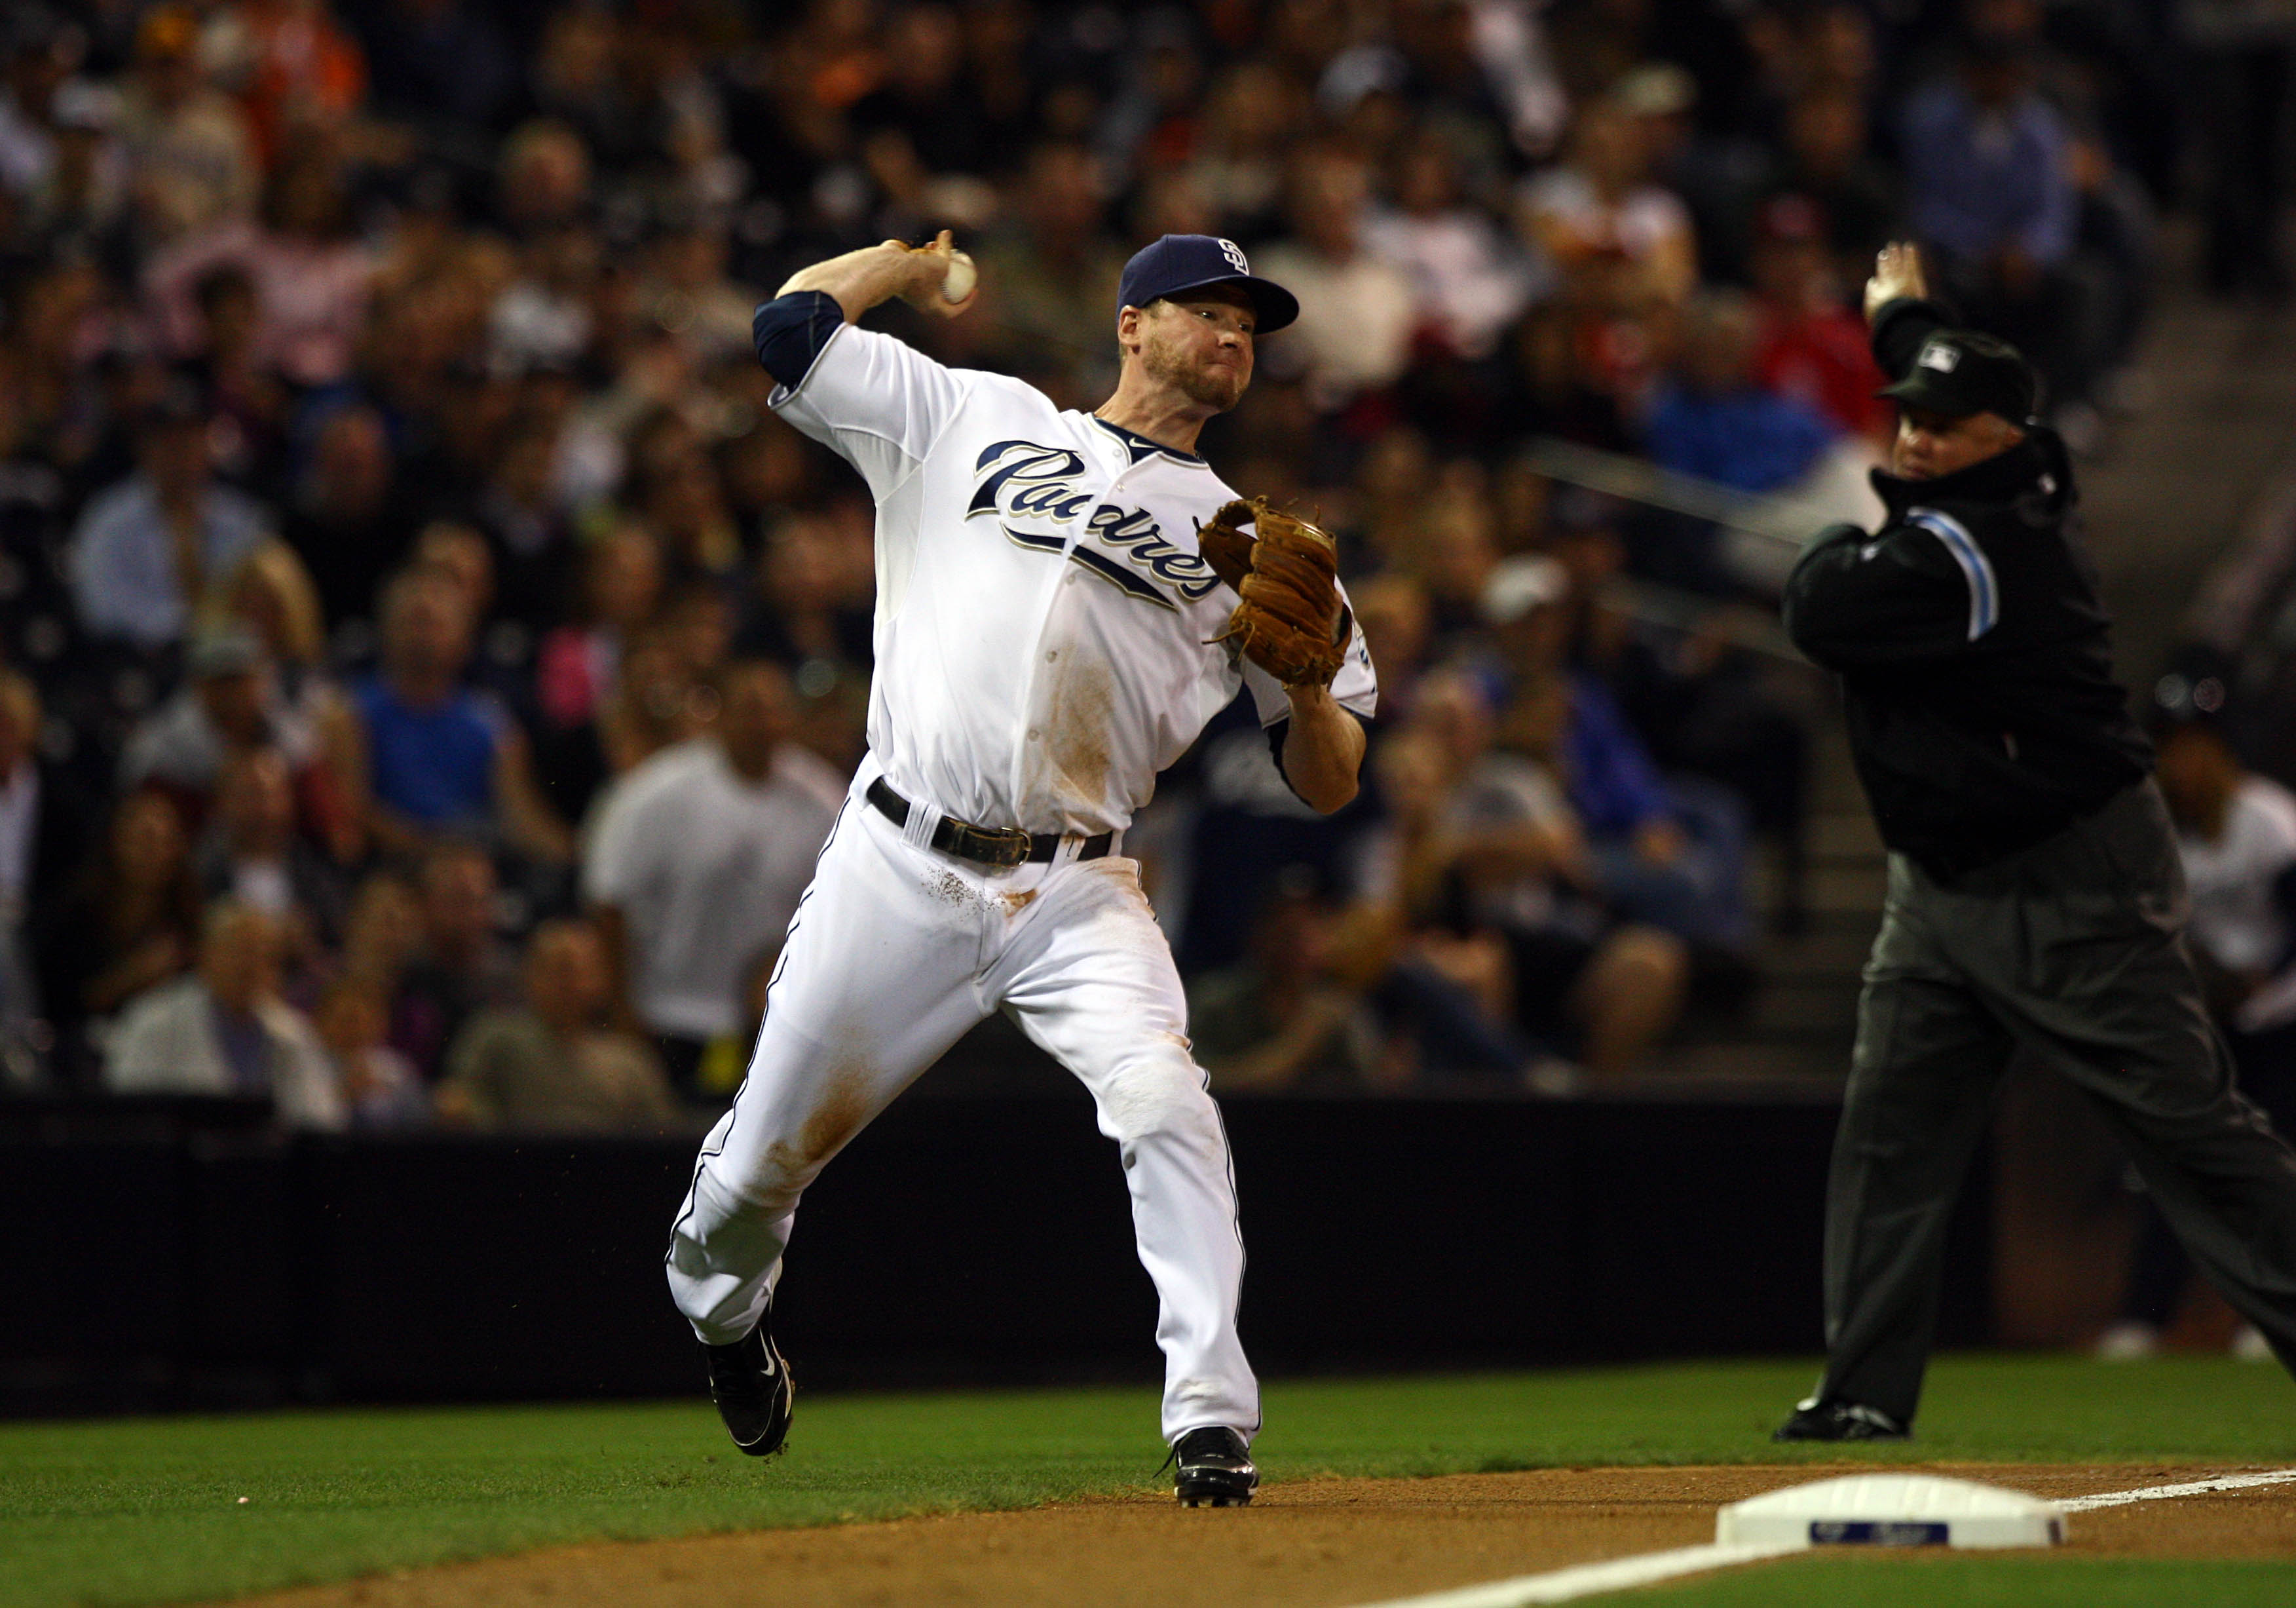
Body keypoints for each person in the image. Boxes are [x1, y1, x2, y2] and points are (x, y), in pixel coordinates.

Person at [669, 231, 1375, 1505]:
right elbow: (785, 333)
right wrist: (895, 262)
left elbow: (1328, 779)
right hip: (899, 861)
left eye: (1250, 323)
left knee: (1165, 1100)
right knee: (741, 1189)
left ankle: (1210, 1421)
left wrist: (1316, 686)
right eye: (1206, 311)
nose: (1233, 336)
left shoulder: (1247, 543)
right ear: (1130, 325)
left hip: (1079, 893)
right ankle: (724, 1321)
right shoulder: (970, 416)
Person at [1771, 242, 2296, 1441]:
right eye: (1908, 416)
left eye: (1946, 426)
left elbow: (1819, 604)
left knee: (2192, 1135)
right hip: (1945, 877)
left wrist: (1833, 534)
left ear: (2006, 437)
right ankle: (1861, 1388)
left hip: (2073, 880)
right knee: (1891, 1131)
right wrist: (1904, 321)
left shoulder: (1981, 547)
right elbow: (1935, 380)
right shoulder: (1973, 476)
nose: (1914, 437)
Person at [584, 660, 844, 1101]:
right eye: (749, 708)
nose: (761, 722)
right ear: (719, 714)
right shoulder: (657, 794)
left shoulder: (821, 799)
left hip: (768, 1021)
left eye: (773, 709)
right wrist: (622, 1010)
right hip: (666, 1014)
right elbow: (609, 898)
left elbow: (842, 911)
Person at [103, 900, 344, 1130]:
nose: (249, 966)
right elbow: (129, 1111)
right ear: (206, 954)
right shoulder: (154, 1020)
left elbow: (321, 1119)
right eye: (239, 951)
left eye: (263, 956)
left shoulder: (293, 1033)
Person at [435, 918, 679, 1134]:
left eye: (583, 970)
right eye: (561, 969)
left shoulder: (630, 1061)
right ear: (530, 974)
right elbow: (457, 1096)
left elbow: (663, 1135)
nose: (571, 983)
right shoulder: (496, 1037)